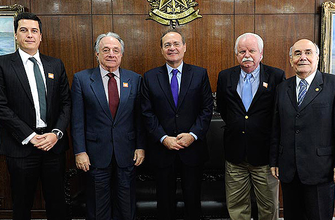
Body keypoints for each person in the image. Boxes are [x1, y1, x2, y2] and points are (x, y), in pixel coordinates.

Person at [0, 12, 71, 220]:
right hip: (20, 146)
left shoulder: (55, 65)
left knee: (57, 203)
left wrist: (56, 133)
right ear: (15, 35)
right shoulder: (3, 65)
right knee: (22, 204)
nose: (29, 35)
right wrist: (30, 136)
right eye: (23, 30)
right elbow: (2, 107)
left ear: (40, 36)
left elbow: (66, 103)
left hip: (53, 146)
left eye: (34, 31)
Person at [71, 32, 145, 220]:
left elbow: (139, 118)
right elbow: (77, 120)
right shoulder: (82, 79)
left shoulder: (135, 79)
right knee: (98, 207)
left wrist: (140, 146)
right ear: (97, 54)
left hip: (127, 152)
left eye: (115, 50)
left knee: (126, 206)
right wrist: (80, 151)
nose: (111, 54)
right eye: (106, 50)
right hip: (95, 154)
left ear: (121, 54)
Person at [141, 29, 213, 220]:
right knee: (164, 203)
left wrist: (193, 135)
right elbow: (147, 113)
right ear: (161, 50)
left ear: (184, 47)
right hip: (163, 150)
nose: (172, 48)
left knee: (193, 201)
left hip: (193, 150)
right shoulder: (149, 77)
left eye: (176, 44)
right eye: (167, 45)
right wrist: (163, 138)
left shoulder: (199, 74)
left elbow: (207, 109)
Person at [216, 33, 285, 220]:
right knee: (237, 207)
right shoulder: (225, 76)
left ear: (261, 54)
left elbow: (280, 113)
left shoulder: (277, 76)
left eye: (252, 51)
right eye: (242, 51)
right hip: (234, 155)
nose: (247, 55)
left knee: (268, 207)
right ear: (236, 54)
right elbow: (223, 108)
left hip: (265, 158)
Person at [270, 39, 335, 220]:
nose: (303, 58)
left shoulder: (334, 85)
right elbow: (276, 127)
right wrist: (274, 161)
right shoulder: (282, 88)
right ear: (291, 59)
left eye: (308, 52)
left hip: (321, 170)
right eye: (298, 53)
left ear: (317, 57)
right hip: (289, 170)